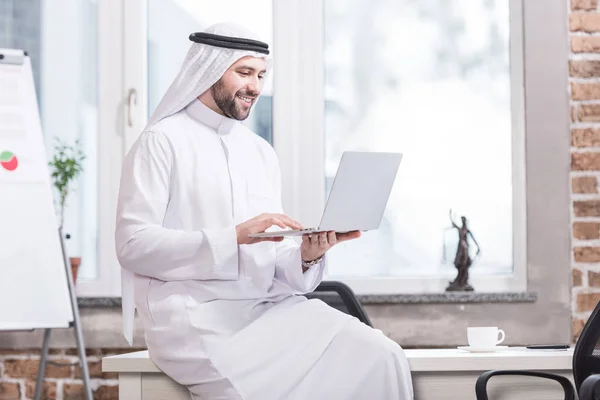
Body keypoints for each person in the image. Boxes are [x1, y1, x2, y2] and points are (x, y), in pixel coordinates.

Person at [115, 22, 414, 400]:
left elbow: (271, 261)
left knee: (381, 355)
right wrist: (234, 236)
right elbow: (132, 245)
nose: (255, 87)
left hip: (270, 309)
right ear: (208, 71)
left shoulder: (260, 152)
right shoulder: (161, 142)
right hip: (196, 319)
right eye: (244, 73)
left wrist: (306, 256)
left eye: (261, 75)